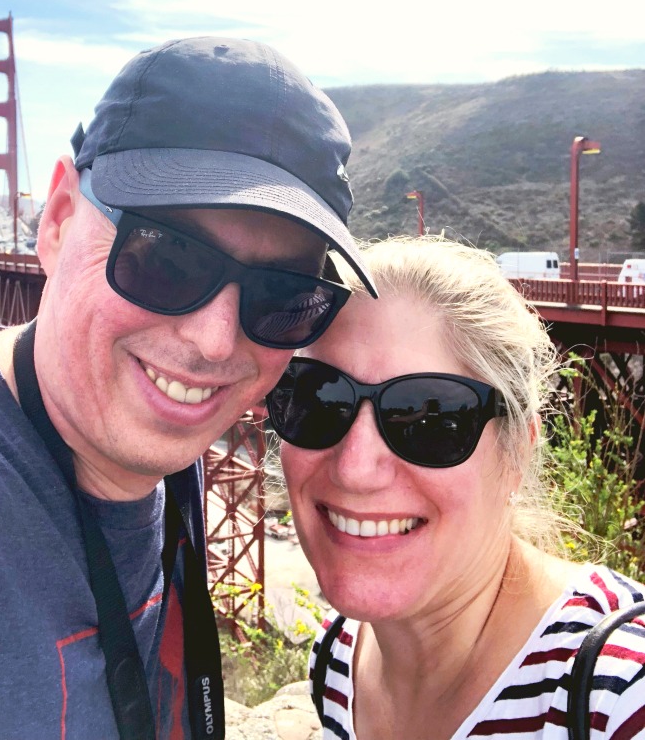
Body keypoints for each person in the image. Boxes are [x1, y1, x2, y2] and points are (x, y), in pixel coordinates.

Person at [0, 36, 377, 740]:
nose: (214, 341)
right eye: (166, 257)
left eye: (282, 293)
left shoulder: (153, 460)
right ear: (57, 221)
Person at [267, 235, 645, 740]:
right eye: (318, 400)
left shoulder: (618, 697)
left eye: (431, 420)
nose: (355, 468)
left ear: (518, 451)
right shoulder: (336, 661)